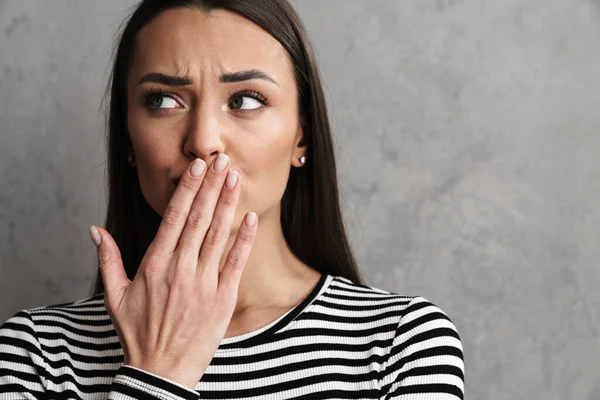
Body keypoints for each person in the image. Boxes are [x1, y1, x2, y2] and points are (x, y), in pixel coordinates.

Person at [0, 0, 465, 398]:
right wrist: (157, 373)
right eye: (163, 100)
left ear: (302, 136)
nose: (203, 141)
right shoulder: (36, 353)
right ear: (126, 137)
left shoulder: (401, 345)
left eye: (245, 100)